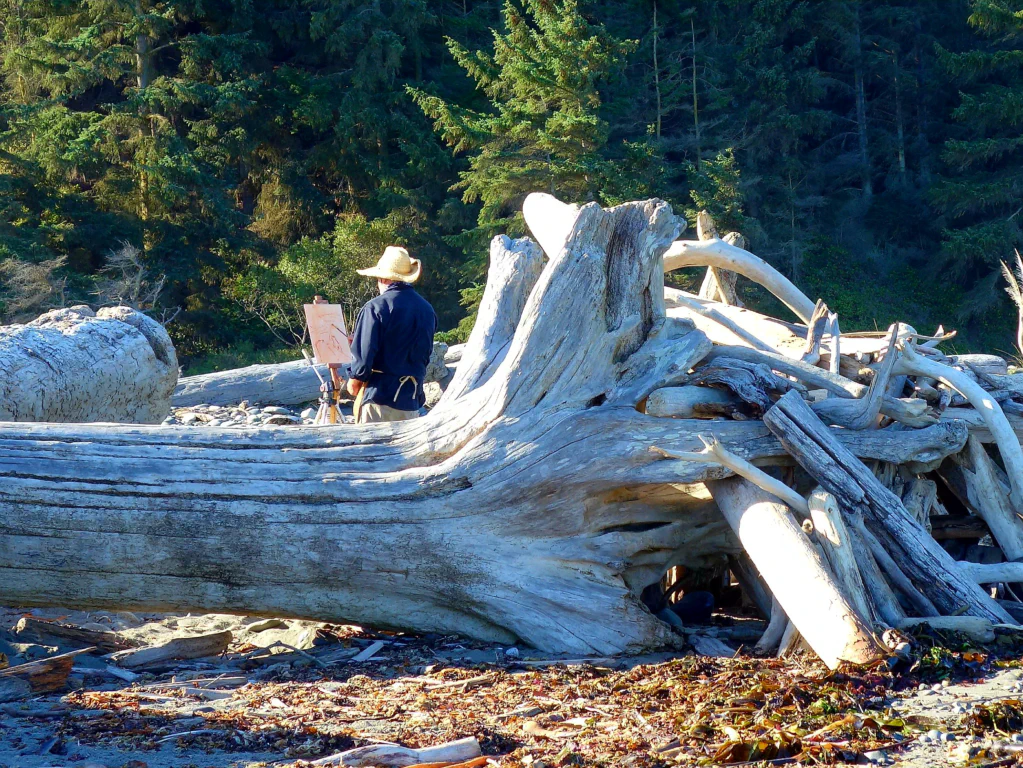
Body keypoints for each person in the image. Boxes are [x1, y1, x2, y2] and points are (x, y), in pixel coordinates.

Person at [347, 246, 437, 424]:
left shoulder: (375, 307)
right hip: (411, 400)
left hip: (380, 398)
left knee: (371, 451)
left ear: (383, 278)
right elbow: (423, 354)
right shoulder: (427, 309)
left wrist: (354, 380)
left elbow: (364, 357)